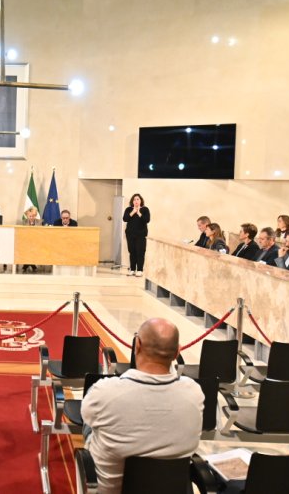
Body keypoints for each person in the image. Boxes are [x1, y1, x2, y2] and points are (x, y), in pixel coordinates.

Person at [81, 318, 203, 494]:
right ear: (177, 352)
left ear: (137, 345)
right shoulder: (194, 392)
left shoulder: (105, 392)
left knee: (92, 424)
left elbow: (87, 415)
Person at [124, 193, 150, 276]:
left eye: (138, 199)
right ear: (132, 201)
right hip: (130, 234)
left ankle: (139, 270)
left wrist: (139, 213)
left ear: (141, 200)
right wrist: (133, 212)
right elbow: (125, 219)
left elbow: (147, 220)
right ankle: (132, 269)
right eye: (134, 199)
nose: (136, 201)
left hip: (141, 235)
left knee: (140, 252)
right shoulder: (128, 209)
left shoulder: (145, 209)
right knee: (132, 252)